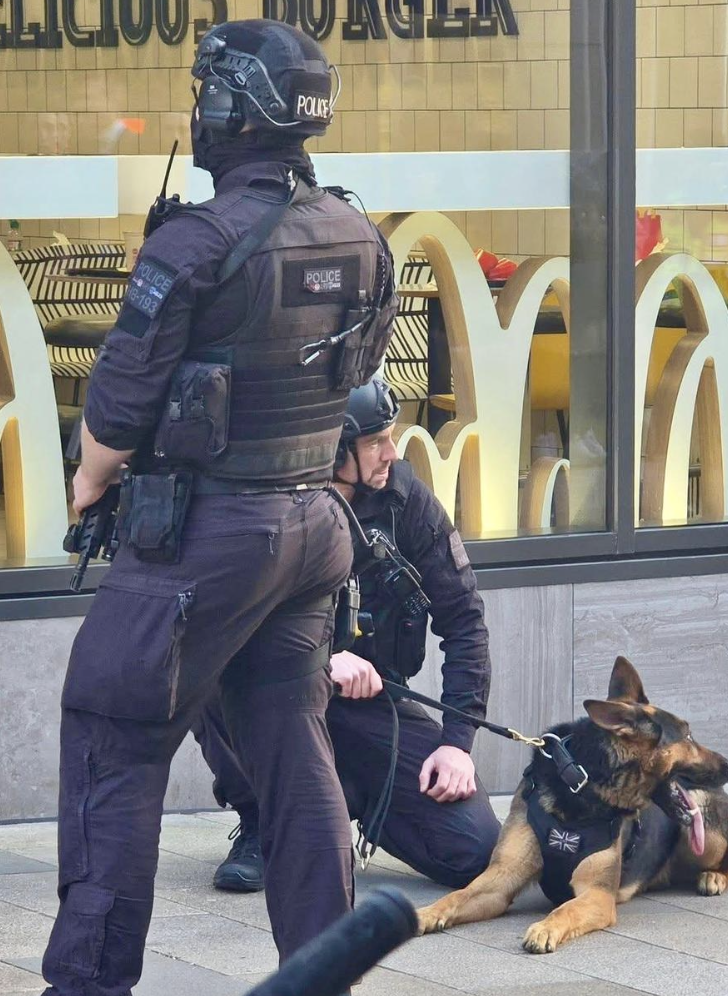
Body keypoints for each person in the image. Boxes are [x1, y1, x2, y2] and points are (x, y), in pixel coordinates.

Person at [41, 20, 397, 996]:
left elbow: (114, 410)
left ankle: (86, 984)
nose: (198, 112)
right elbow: (361, 377)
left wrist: (87, 488)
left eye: (208, 95)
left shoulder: (197, 240)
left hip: (203, 541)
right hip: (312, 531)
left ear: (235, 109)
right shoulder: (358, 232)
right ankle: (323, 972)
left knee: (112, 735)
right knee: (291, 741)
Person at [192, 376, 501, 896]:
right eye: (376, 442)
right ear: (335, 451)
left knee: (472, 852)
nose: (392, 452)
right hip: (277, 692)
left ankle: (343, 799)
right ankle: (265, 820)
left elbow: (465, 621)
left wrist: (457, 745)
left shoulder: (407, 503)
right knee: (206, 681)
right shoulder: (271, 507)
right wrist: (317, 659)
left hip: (372, 707)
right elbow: (214, 625)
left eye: (392, 436)